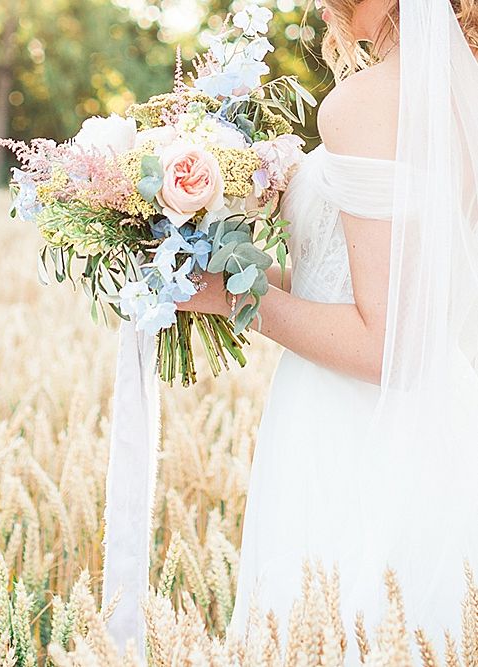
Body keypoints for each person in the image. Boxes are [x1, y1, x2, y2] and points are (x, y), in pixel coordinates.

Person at [177, 0, 478, 662]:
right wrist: (231, 271)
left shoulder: (364, 104)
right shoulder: (449, 96)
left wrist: (234, 299)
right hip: (428, 424)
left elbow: (383, 342)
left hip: (354, 437)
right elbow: (378, 287)